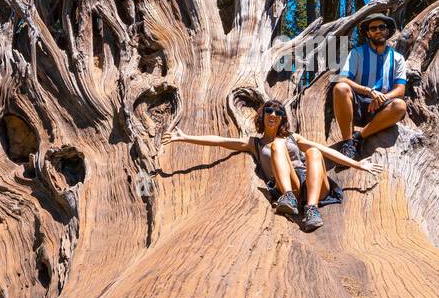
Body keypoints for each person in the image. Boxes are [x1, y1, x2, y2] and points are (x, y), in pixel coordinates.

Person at [162, 99, 380, 231]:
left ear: (282, 118)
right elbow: (220, 141)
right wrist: (185, 137)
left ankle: (312, 210)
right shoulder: (254, 143)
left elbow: (325, 151)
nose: (274, 114)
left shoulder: (294, 138)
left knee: (313, 151)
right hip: (291, 187)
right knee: (276, 146)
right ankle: (289, 199)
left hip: (314, 186)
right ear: (263, 115)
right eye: (269, 111)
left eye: (279, 112)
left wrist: (359, 165)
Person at [332, 12, 408, 159]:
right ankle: (347, 143)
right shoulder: (357, 53)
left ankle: (358, 137)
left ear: (387, 30)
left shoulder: (397, 58)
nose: (378, 30)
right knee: (340, 88)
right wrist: (368, 91)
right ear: (367, 33)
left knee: (400, 106)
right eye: (373, 28)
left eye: (382, 27)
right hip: (358, 105)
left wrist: (381, 97)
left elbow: (400, 90)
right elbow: (343, 79)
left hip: (382, 107)